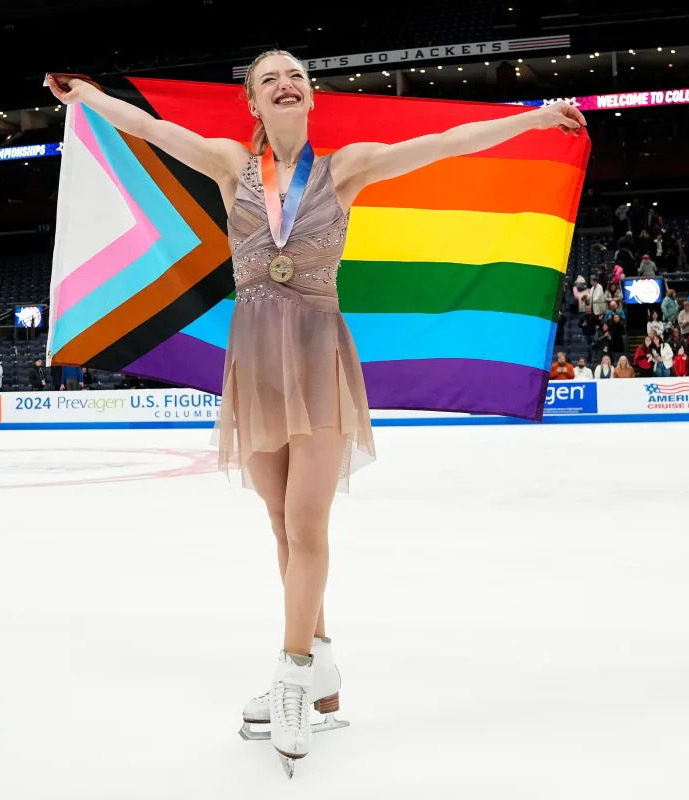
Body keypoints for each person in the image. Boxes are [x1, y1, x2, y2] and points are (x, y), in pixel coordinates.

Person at [47, 56, 585, 768]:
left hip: (318, 351)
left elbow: (444, 144)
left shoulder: (346, 168)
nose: (285, 81)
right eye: (270, 77)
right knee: (278, 520)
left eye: (296, 74)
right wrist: (86, 97)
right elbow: (147, 127)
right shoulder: (226, 162)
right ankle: (321, 669)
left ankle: (294, 674)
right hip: (255, 359)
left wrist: (536, 118)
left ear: (310, 97)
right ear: (252, 102)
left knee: (306, 521)